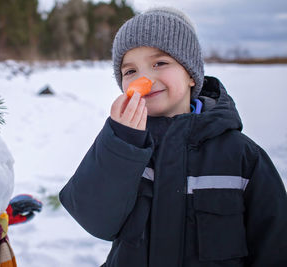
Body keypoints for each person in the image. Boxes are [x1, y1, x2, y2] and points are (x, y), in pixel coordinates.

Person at [59, 6, 287, 267]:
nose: (144, 78)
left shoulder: (242, 157)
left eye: (160, 63)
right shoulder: (121, 145)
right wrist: (121, 142)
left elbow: (274, 247)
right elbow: (95, 221)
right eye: (130, 71)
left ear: (191, 74)